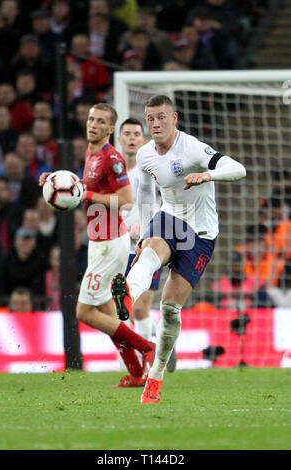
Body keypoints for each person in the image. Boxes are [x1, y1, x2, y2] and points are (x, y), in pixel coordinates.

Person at [111, 94, 246, 403]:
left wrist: (207, 175)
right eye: (150, 118)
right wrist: (143, 231)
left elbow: (239, 169)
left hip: (202, 234)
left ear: (174, 119)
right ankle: (127, 295)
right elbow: (145, 196)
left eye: (161, 117)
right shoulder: (145, 155)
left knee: (170, 310)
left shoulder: (193, 148)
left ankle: (155, 378)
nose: (156, 123)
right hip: (169, 219)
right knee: (150, 251)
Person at [39, 102, 156, 388]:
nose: (93, 124)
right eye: (91, 119)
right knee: (106, 313)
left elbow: (126, 201)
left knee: (83, 312)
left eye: (101, 121)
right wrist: (55, 182)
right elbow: (89, 188)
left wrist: (83, 193)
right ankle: (137, 373)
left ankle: (146, 347)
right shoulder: (91, 152)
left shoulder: (112, 158)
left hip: (109, 244)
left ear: (110, 128)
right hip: (97, 240)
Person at [118, 117, 177, 379]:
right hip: (117, 248)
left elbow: (162, 203)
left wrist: (147, 229)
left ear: (143, 140)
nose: (131, 138)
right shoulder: (112, 171)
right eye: (127, 133)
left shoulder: (151, 167)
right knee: (121, 309)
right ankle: (157, 332)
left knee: (138, 308)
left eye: (136, 134)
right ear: (119, 139)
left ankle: (142, 368)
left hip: (147, 245)